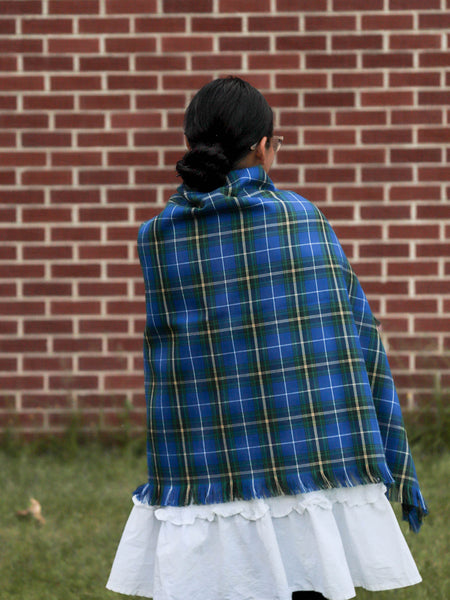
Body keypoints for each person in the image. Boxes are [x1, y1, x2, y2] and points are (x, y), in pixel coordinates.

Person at [107, 76, 427, 600]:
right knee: (310, 580)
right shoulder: (299, 218)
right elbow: (352, 331)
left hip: (205, 455)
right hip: (310, 452)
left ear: (192, 144)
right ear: (261, 146)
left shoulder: (158, 235)